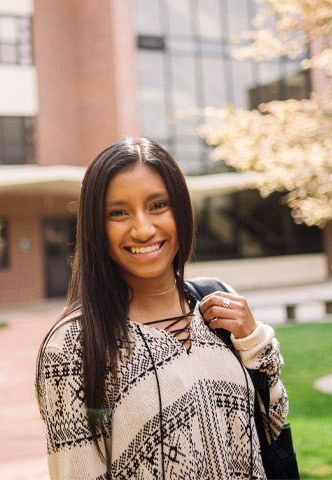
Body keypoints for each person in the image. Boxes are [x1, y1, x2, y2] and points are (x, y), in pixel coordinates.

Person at [35, 137, 288, 479]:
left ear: (181, 210)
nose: (143, 229)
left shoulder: (218, 304)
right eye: (119, 213)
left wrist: (255, 343)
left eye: (158, 205)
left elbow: (271, 430)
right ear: (97, 226)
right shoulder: (73, 347)